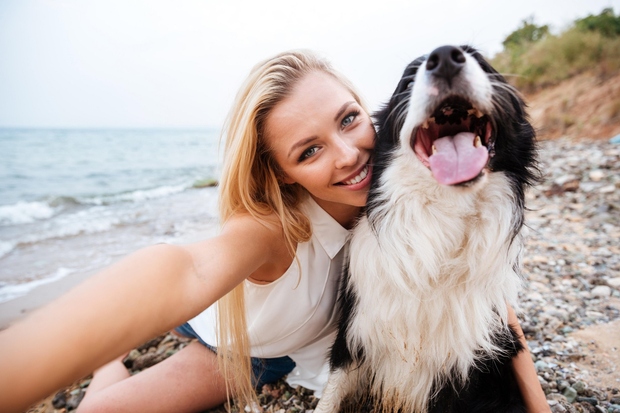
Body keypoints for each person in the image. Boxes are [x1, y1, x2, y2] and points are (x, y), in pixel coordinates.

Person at [0, 50, 550, 413]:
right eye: (307, 151)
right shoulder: (274, 229)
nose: (347, 155)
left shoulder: (407, 181)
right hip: (244, 346)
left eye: (349, 119)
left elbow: (486, 297)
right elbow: (186, 270)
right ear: (281, 174)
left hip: (325, 345)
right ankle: (109, 362)